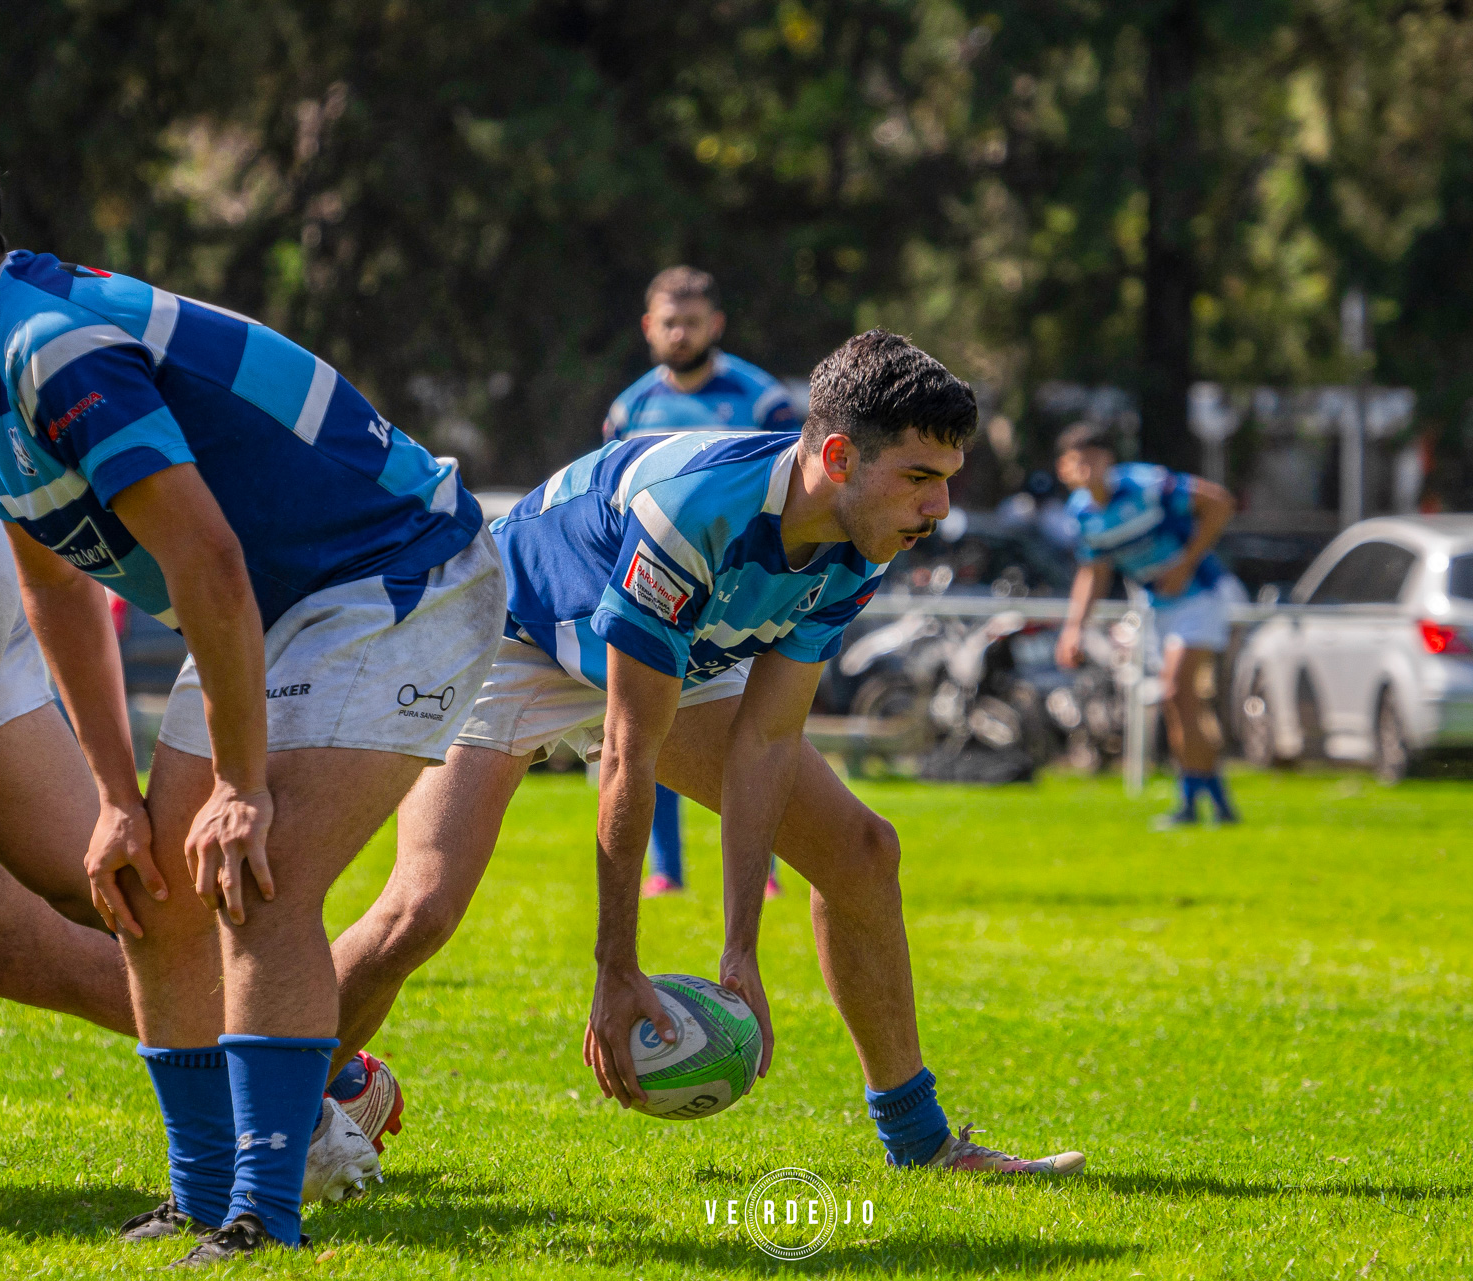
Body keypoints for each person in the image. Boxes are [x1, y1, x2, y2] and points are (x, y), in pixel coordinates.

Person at [0, 117, 503, 1264]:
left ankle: (259, 1222)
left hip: (396, 578)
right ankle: (197, 1193)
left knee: (255, 885)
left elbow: (207, 560)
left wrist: (240, 783)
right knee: (155, 890)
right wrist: (116, 798)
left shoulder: (49, 349)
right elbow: (55, 585)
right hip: (279, 604)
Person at [324, 330, 1086, 1176]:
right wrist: (618, 965)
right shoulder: (693, 509)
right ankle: (292, 1095)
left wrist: (741, 950)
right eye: (919, 478)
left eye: (946, 482)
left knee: (861, 852)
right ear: (837, 456)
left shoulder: (862, 539)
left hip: (676, 649)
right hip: (514, 633)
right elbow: (627, 750)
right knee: (419, 910)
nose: (937, 510)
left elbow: (765, 740)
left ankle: (921, 1141)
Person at [0, 371, 400, 1218]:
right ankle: (306, 1079)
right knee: (40, 928)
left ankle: (284, 1091)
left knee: (135, 895)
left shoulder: (11, 336)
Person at [603, 264, 796, 899]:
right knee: (648, 722)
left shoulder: (763, 399)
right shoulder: (630, 407)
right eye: (669, 322)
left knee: (753, 728)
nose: (680, 333)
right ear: (648, 327)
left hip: (746, 582)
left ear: (715, 324)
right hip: (661, 584)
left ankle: (759, 871)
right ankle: (667, 871)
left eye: (691, 321)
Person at [1053, 421, 1242, 826]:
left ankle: (1191, 804)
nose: (1086, 468)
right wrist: (1074, 629)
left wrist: (1185, 562)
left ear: (1108, 460)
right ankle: (1215, 802)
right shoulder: (1082, 514)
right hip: (1158, 606)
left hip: (1203, 594)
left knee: (1176, 691)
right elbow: (1094, 571)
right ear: (1063, 469)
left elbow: (1220, 502)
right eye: (1077, 461)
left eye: (1093, 458)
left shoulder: (1145, 485)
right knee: (1180, 704)